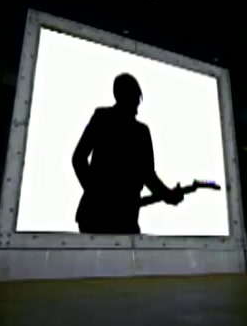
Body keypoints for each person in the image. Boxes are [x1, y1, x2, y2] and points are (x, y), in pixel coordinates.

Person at [72, 73, 185, 234]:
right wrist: (96, 193)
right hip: (97, 217)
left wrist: (168, 195)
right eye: (136, 97)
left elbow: (148, 176)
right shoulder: (103, 118)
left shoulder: (140, 131)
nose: (138, 103)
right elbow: (78, 158)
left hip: (124, 219)